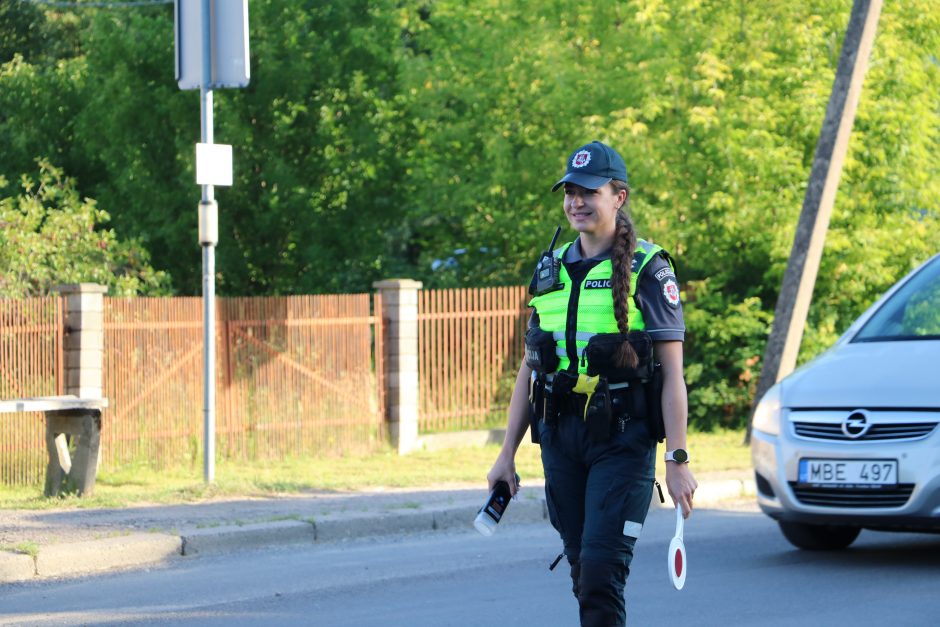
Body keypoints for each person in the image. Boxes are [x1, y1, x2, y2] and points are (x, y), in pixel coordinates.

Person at [486, 140, 697, 626]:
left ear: (618, 197)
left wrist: (677, 458)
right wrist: (506, 455)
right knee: (585, 573)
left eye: (588, 192)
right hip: (560, 439)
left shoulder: (650, 268)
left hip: (622, 438)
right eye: (569, 192)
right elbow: (530, 366)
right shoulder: (551, 267)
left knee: (602, 573)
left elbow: (672, 376)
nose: (576, 202)